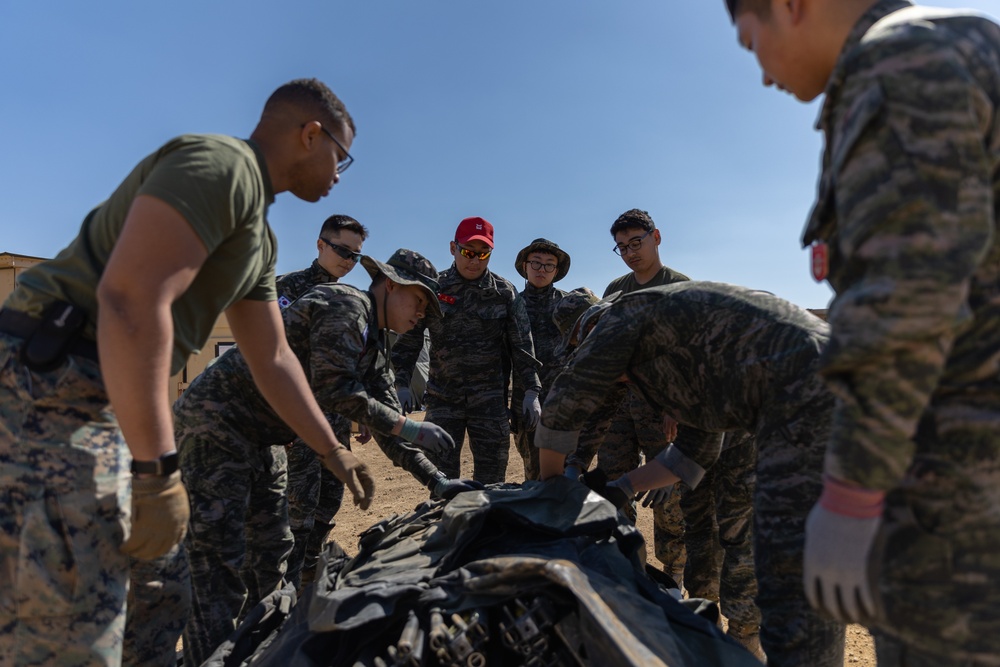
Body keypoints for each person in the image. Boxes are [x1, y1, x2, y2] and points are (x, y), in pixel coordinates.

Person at [0, 77, 372, 667]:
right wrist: (157, 470)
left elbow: (272, 357)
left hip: (108, 403)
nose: (337, 174)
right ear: (310, 135)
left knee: (160, 591)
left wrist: (331, 451)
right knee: (70, 623)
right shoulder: (221, 166)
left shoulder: (257, 238)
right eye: (341, 157)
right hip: (54, 390)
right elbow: (130, 299)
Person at [725, 0, 1000, 663]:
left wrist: (850, 492)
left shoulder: (895, 63)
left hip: (956, 496)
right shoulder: (961, 42)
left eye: (749, 40)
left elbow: (907, 297)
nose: (761, 72)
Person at [162, 249, 476, 665]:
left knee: (273, 547)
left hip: (266, 438)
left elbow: (386, 424)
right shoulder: (346, 303)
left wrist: (436, 480)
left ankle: (252, 651)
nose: (421, 314)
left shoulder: (376, 346)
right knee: (218, 563)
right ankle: (210, 656)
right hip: (217, 425)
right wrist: (409, 426)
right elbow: (335, 389)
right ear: (393, 283)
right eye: (419, 301)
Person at [536, 281, 844, 666]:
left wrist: (550, 496)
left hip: (809, 396)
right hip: (811, 384)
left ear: (585, 332)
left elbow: (565, 404)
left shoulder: (615, 320)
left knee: (787, 561)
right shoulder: (685, 352)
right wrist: (624, 486)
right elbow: (693, 452)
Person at [577, 208, 691, 587]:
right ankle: (626, 562)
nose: (629, 252)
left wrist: (676, 406)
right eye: (621, 247)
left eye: (636, 243)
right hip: (618, 408)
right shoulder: (615, 290)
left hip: (662, 409)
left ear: (656, 238)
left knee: (667, 495)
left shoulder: (679, 288)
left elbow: (689, 354)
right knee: (615, 483)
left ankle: (673, 575)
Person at [392, 217, 541, 484]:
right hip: (443, 400)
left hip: (490, 402)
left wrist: (532, 390)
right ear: (453, 248)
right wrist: (401, 383)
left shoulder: (504, 293)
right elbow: (409, 339)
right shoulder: (433, 289)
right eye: (468, 252)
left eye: (483, 254)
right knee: (441, 482)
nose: (475, 261)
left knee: (491, 483)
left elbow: (522, 346)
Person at [275, 214, 368, 590]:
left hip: (336, 422)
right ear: (320, 244)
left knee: (329, 500)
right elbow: (274, 357)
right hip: (297, 423)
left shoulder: (350, 298)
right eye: (342, 250)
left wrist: (360, 416)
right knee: (298, 508)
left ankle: (308, 571)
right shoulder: (289, 287)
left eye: (356, 256)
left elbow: (353, 362)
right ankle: (284, 584)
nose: (348, 260)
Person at [510, 238, 571, 481]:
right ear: (525, 266)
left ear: (556, 271)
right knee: (534, 472)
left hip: (562, 402)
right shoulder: (513, 304)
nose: (541, 270)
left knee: (566, 473)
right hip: (525, 401)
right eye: (536, 263)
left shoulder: (568, 304)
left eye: (549, 265)